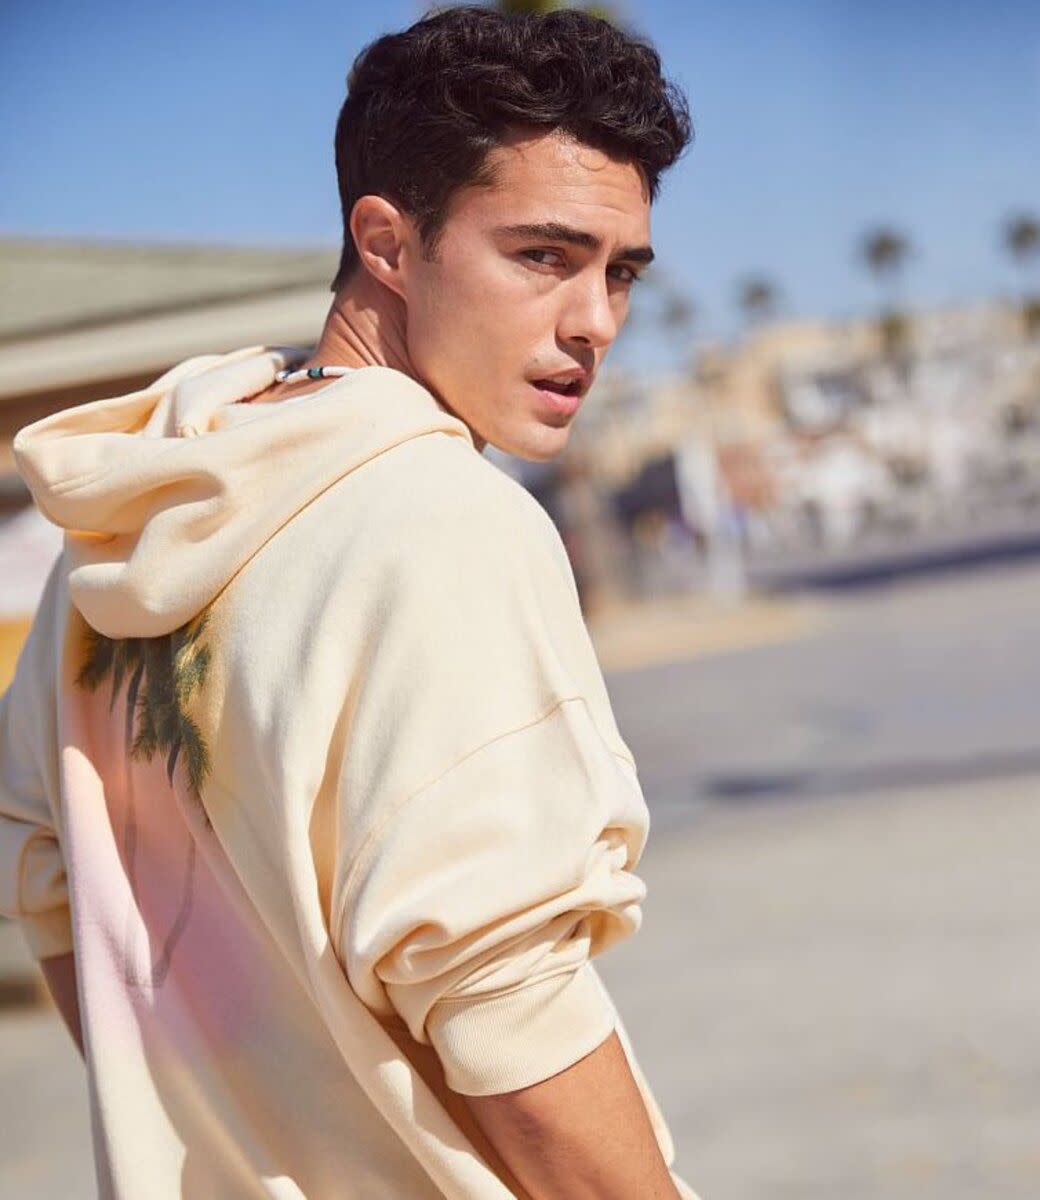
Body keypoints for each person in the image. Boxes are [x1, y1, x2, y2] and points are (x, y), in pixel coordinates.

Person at [0, 6, 697, 1197]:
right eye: (541, 255)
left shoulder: (122, 523)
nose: (593, 322)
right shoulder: (442, 524)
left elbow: (50, 879)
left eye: (617, 270)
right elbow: (497, 989)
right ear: (387, 240)